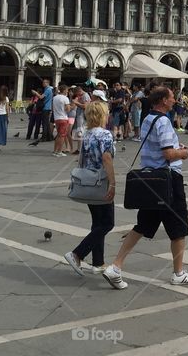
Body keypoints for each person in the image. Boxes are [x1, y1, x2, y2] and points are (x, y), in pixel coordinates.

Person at [102, 87, 188, 289]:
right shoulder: (164, 121)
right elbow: (168, 155)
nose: (175, 101)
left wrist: (174, 146)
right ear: (163, 100)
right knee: (179, 227)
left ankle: (115, 266)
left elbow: (157, 147)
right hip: (168, 180)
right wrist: (182, 152)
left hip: (151, 180)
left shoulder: (148, 118)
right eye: (172, 98)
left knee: (142, 226)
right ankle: (178, 273)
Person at [65, 101, 116, 277]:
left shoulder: (87, 134)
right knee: (108, 223)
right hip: (101, 181)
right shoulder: (105, 135)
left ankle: (98, 262)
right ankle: (77, 253)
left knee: (98, 223)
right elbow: (107, 158)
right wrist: (113, 183)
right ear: (103, 115)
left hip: (87, 182)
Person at [52, 84, 72, 158]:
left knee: (58, 135)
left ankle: (55, 150)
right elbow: (68, 109)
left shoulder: (55, 97)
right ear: (64, 90)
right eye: (67, 90)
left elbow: (52, 107)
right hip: (63, 117)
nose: (67, 91)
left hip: (57, 118)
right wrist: (70, 106)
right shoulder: (65, 98)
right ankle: (59, 151)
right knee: (62, 136)